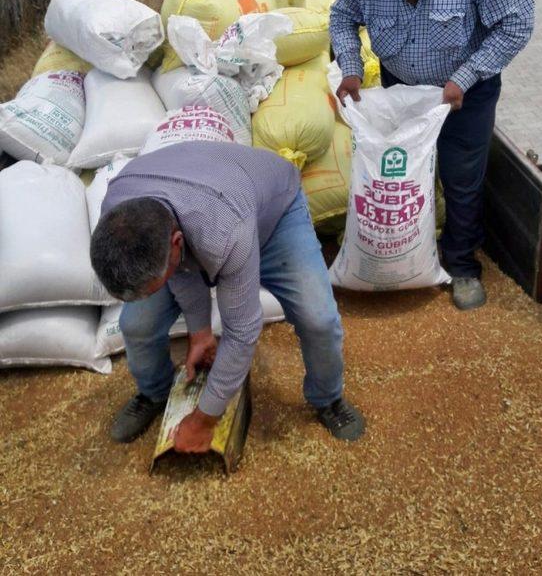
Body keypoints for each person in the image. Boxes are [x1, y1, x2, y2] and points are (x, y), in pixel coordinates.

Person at [330, 0, 534, 310]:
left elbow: (517, 24)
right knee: (403, 173)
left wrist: (465, 77)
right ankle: (403, 252)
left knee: (460, 177)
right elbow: (342, 15)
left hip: (464, 91)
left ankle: (460, 264)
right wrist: (350, 66)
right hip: (401, 85)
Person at [90, 141, 365, 451]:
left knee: (319, 319)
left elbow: (242, 330)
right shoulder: (117, 210)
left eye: (153, 285)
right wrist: (200, 332)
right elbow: (181, 271)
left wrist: (204, 419)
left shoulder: (224, 230)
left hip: (272, 213)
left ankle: (328, 398)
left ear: (176, 244)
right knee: (137, 323)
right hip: (206, 200)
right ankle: (153, 393)